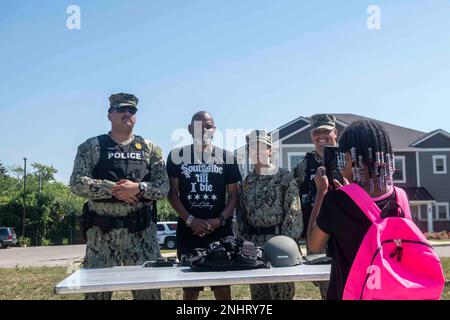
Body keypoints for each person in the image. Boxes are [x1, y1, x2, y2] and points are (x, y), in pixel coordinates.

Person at [70, 93, 169, 300]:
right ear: (109, 115)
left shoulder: (151, 149)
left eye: (131, 111)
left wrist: (139, 188)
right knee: (97, 294)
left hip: (142, 235)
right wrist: (112, 188)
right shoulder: (91, 146)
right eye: (121, 109)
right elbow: (77, 183)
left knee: (148, 294)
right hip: (102, 236)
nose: (127, 114)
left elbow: (163, 187)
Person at [307, 120, 402, 299]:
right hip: (390, 292)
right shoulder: (400, 197)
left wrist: (322, 192)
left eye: (342, 157)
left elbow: (314, 245)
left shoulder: (337, 200)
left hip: (348, 293)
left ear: (350, 158)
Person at [167, 111, 242, 300]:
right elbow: (172, 193)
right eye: (199, 126)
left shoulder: (227, 157)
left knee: (222, 286)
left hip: (220, 232)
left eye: (208, 125)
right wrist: (190, 220)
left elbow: (234, 195)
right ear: (190, 129)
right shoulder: (177, 156)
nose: (204, 130)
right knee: (190, 288)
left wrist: (220, 220)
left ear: (214, 129)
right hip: (188, 231)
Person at [237, 130, 303, 300]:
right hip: (254, 247)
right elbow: (241, 216)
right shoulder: (246, 183)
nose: (257, 152)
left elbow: (293, 213)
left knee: (282, 295)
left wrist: (287, 243)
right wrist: (245, 244)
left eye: (261, 147)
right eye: (252, 148)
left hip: (279, 243)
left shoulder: (284, 177)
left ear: (270, 151)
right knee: (259, 298)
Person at [292, 114, 337, 299]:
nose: (321, 136)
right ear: (312, 136)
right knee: (326, 289)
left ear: (335, 132)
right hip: (318, 234)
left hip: (344, 234)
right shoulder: (304, 166)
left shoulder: (348, 160)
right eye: (317, 132)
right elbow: (292, 197)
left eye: (326, 131)